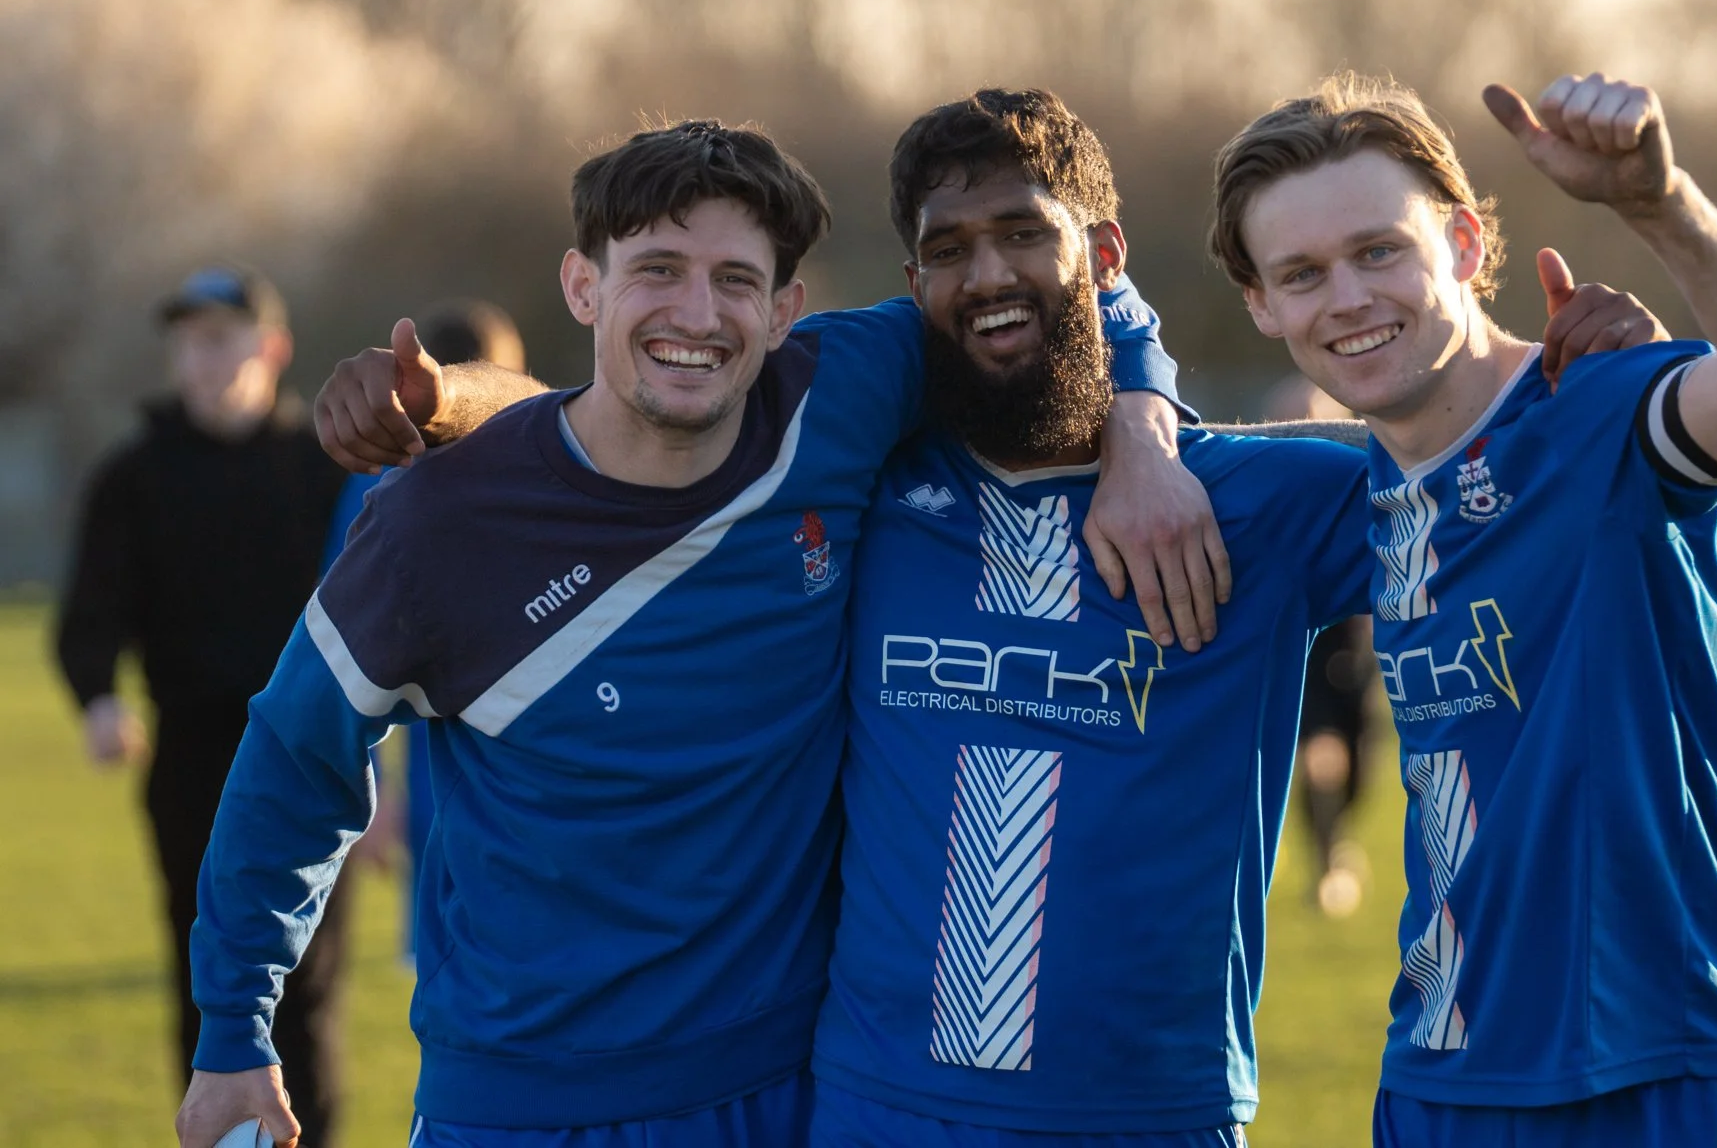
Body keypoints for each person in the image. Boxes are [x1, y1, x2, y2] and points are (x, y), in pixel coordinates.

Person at [174, 119, 1220, 1148]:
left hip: (783, 1091)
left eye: (733, 280)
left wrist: (1141, 424)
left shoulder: (841, 395)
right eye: (657, 270)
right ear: (583, 288)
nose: (696, 312)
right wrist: (231, 1035)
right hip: (514, 1104)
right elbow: (290, 766)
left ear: (783, 310)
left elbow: (1056, 287)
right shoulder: (435, 528)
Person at [803, 88, 1668, 1145]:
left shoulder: (1263, 504)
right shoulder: (855, 492)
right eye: (950, 250)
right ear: (913, 283)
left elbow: (1501, 489)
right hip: (871, 1112)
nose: (988, 273)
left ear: (1103, 254)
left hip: (1153, 1120)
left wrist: (1593, 385)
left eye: (1026, 233)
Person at [1207, 71, 1717, 1147]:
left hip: (1660, 1070)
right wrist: (1136, 403)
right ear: (1261, 306)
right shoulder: (1335, 491)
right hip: (1437, 1085)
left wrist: (1658, 205)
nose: (1348, 299)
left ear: (1462, 245)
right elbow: (1111, 458)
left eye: (1379, 251)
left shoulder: (1599, 410)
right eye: (1302, 273)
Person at [55, 264, 353, 1146]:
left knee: (309, 980)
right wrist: (99, 698)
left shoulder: (326, 468)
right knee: (208, 975)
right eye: (188, 339)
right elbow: (91, 611)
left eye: (222, 336)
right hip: (193, 757)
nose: (203, 356)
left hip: (316, 756)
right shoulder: (134, 476)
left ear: (273, 347)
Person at [323, 300, 529, 948]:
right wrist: (376, 795)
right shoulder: (382, 492)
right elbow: (349, 650)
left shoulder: (548, 476)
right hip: (459, 782)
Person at [1261, 377, 1383, 917]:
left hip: (1353, 644)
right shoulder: (1265, 484)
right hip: (1296, 641)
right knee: (1314, 755)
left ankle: (1336, 842)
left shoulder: (1359, 473)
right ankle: (1323, 857)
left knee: (1358, 762)